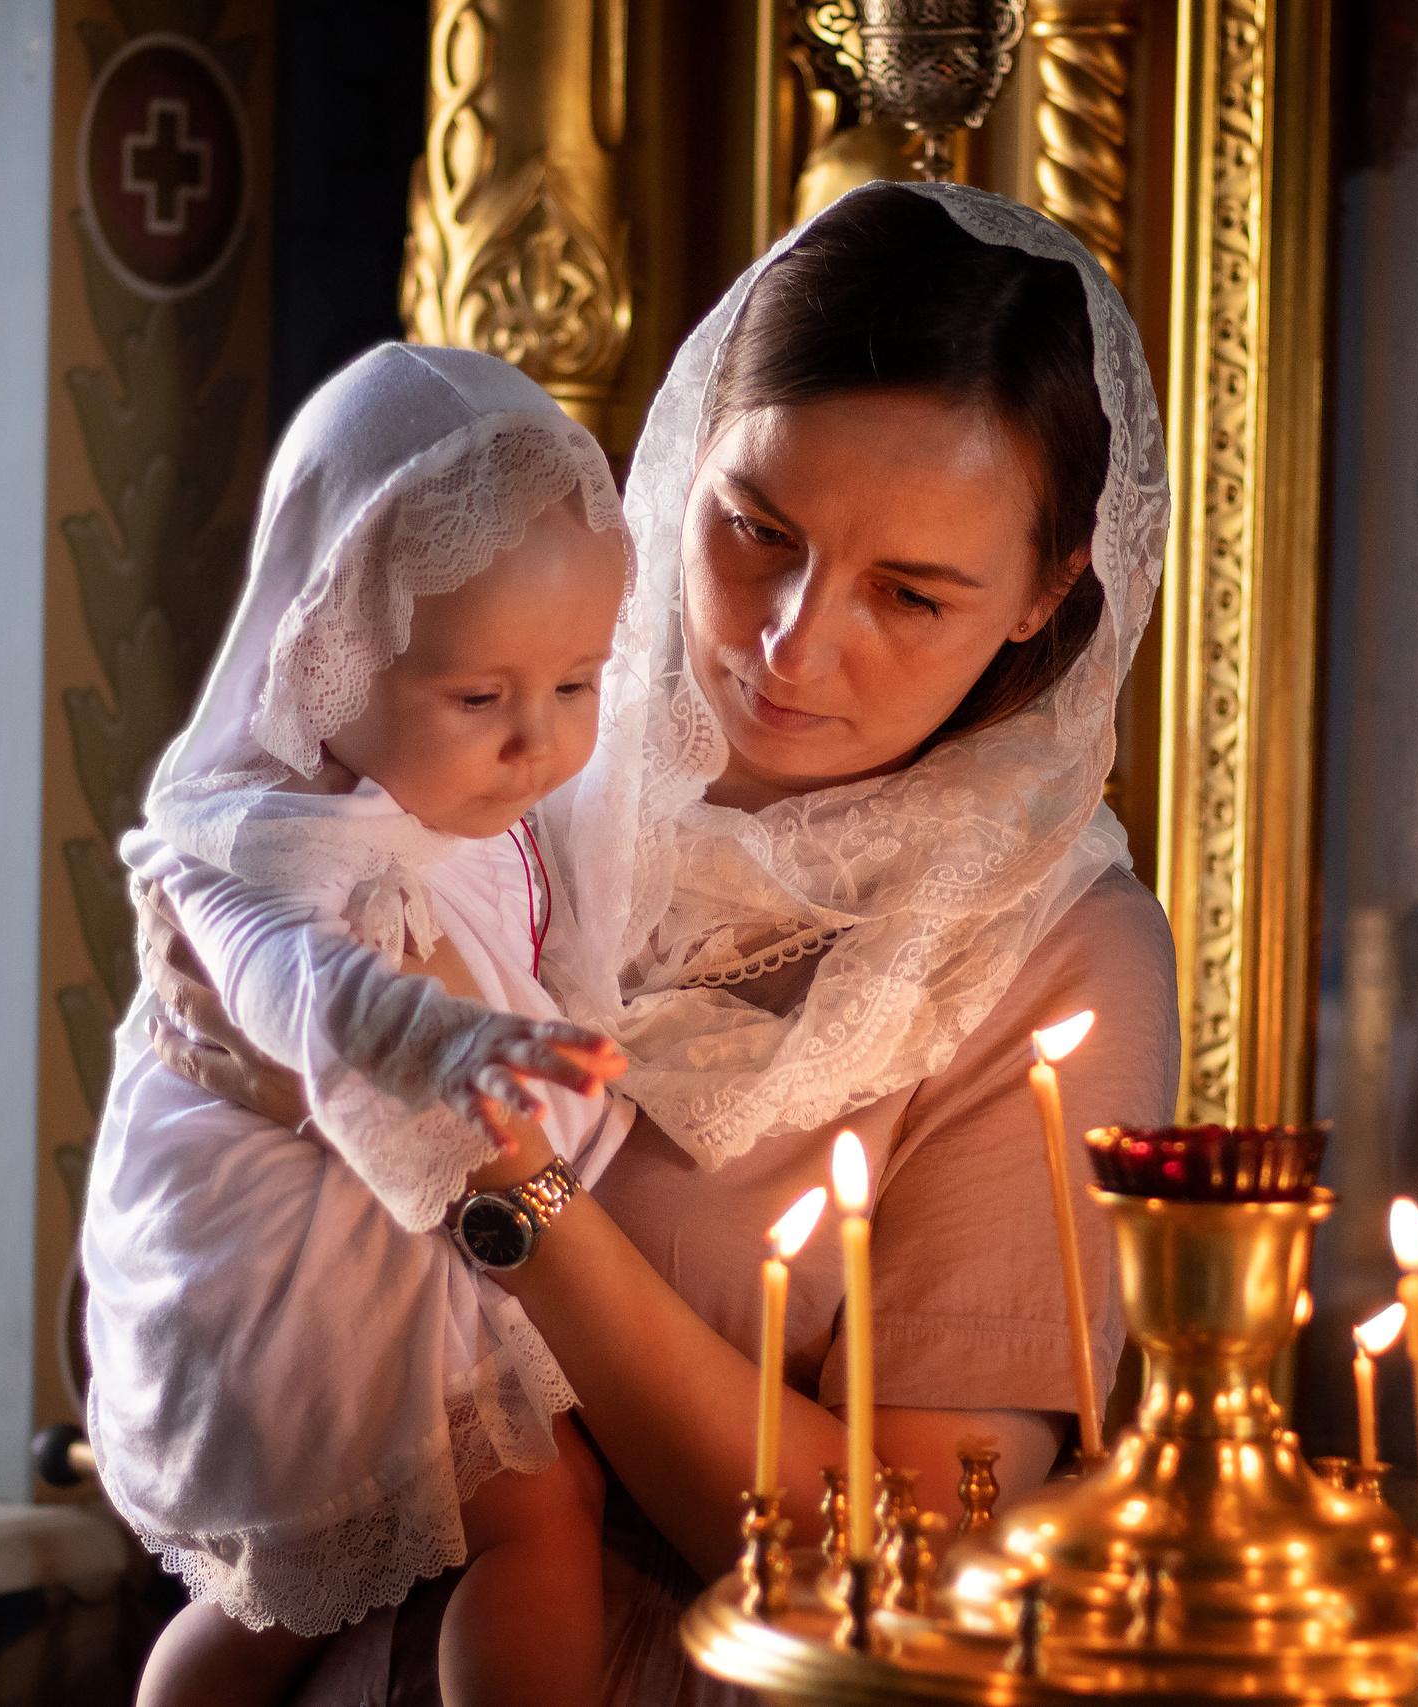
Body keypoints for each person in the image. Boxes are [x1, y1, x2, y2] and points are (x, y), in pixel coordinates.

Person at [142, 184, 1180, 1704]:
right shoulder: (498, 736)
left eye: (910, 592)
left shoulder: (1049, 958)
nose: (791, 640)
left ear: (1044, 595)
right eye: (755, 530)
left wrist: (505, 1181)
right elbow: (183, 1284)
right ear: (687, 456)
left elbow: (886, 1582)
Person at [81, 343, 637, 1707]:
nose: (540, 744)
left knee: (275, 1609)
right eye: (481, 698)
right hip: (286, 1267)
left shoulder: (466, 798)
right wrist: (438, 1038)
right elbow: (289, 986)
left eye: (578, 683)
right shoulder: (271, 835)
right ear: (330, 660)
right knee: (538, 1516)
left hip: (388, 1223)